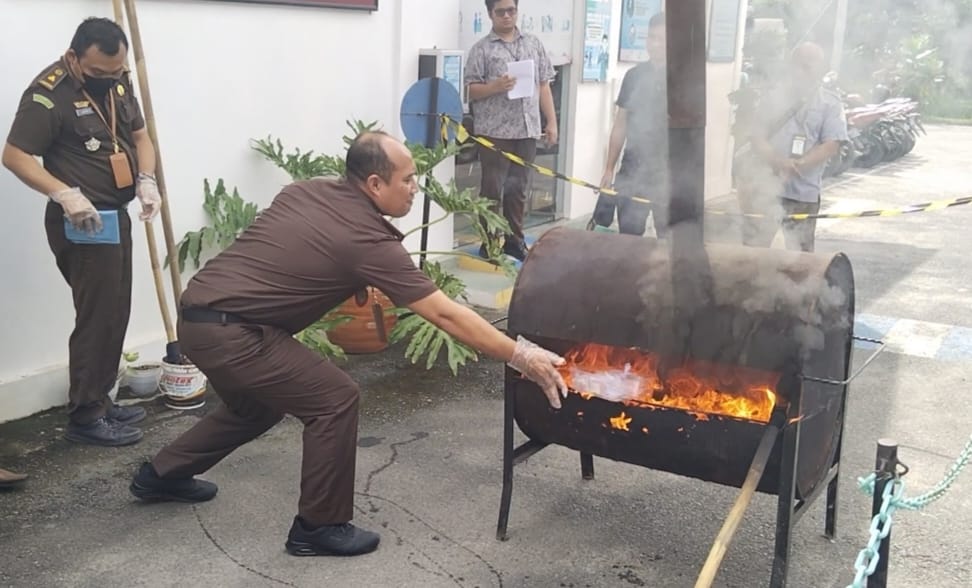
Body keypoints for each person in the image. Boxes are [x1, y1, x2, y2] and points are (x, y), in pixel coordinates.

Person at [129, 131, 568, 557]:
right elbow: (444, 313)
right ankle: (318, 527)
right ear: (375, 184)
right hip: (236, 333)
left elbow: (297, 252)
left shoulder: (307, 191)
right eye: (408, 180)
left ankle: (161, 475)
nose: (416, 188)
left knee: (256, 408)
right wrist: (519, 353)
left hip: (198, 316)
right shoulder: (365, 239)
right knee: (334, 398)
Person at [2, 18, 161, 447]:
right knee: (96, 316)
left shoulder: (118, 81)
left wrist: (146, 178)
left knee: (117, 310)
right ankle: (86, 416)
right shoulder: (48, 94)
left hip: (116, 215)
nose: (110, 81)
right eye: (99, 74)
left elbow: (142, 136)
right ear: (74, 58)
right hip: (83, 222)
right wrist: (63, 194)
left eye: (116, 72)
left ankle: (101, 399)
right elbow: (14, 155)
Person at [465, 0, 558, 261]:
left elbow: (544, 85)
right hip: (494, 132)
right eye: (501, 12)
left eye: (511, 10)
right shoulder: (481, 50)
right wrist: (495, 86)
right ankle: (489, 241)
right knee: (492, 189)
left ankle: (514, 241)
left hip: (526, 129)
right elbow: (469, 89)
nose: (507, 16)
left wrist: (551, 122)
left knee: (519, 189)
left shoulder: (532, 43)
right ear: (489, 14)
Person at [738, 41, 848, 252]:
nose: (802, 69)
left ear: (821, 69)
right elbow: (757, 135)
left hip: (803, 193)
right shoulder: (772, 97)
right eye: (798, 63)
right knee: (753, 251)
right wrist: (778, 162)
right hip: (765, 188)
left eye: (809, 64)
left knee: (800, 258)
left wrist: (798, 164)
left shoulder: (830, 103)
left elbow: (832, 144)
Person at [592, 12, 669, 237]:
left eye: (661, 39)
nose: (654, 45)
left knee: (669, 240)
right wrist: (609, 168)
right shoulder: (634, 76)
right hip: (633, 168)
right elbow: (620, 124)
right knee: (629, 234)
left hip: (668, 172)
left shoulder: (681, 78)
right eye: (651, 38)